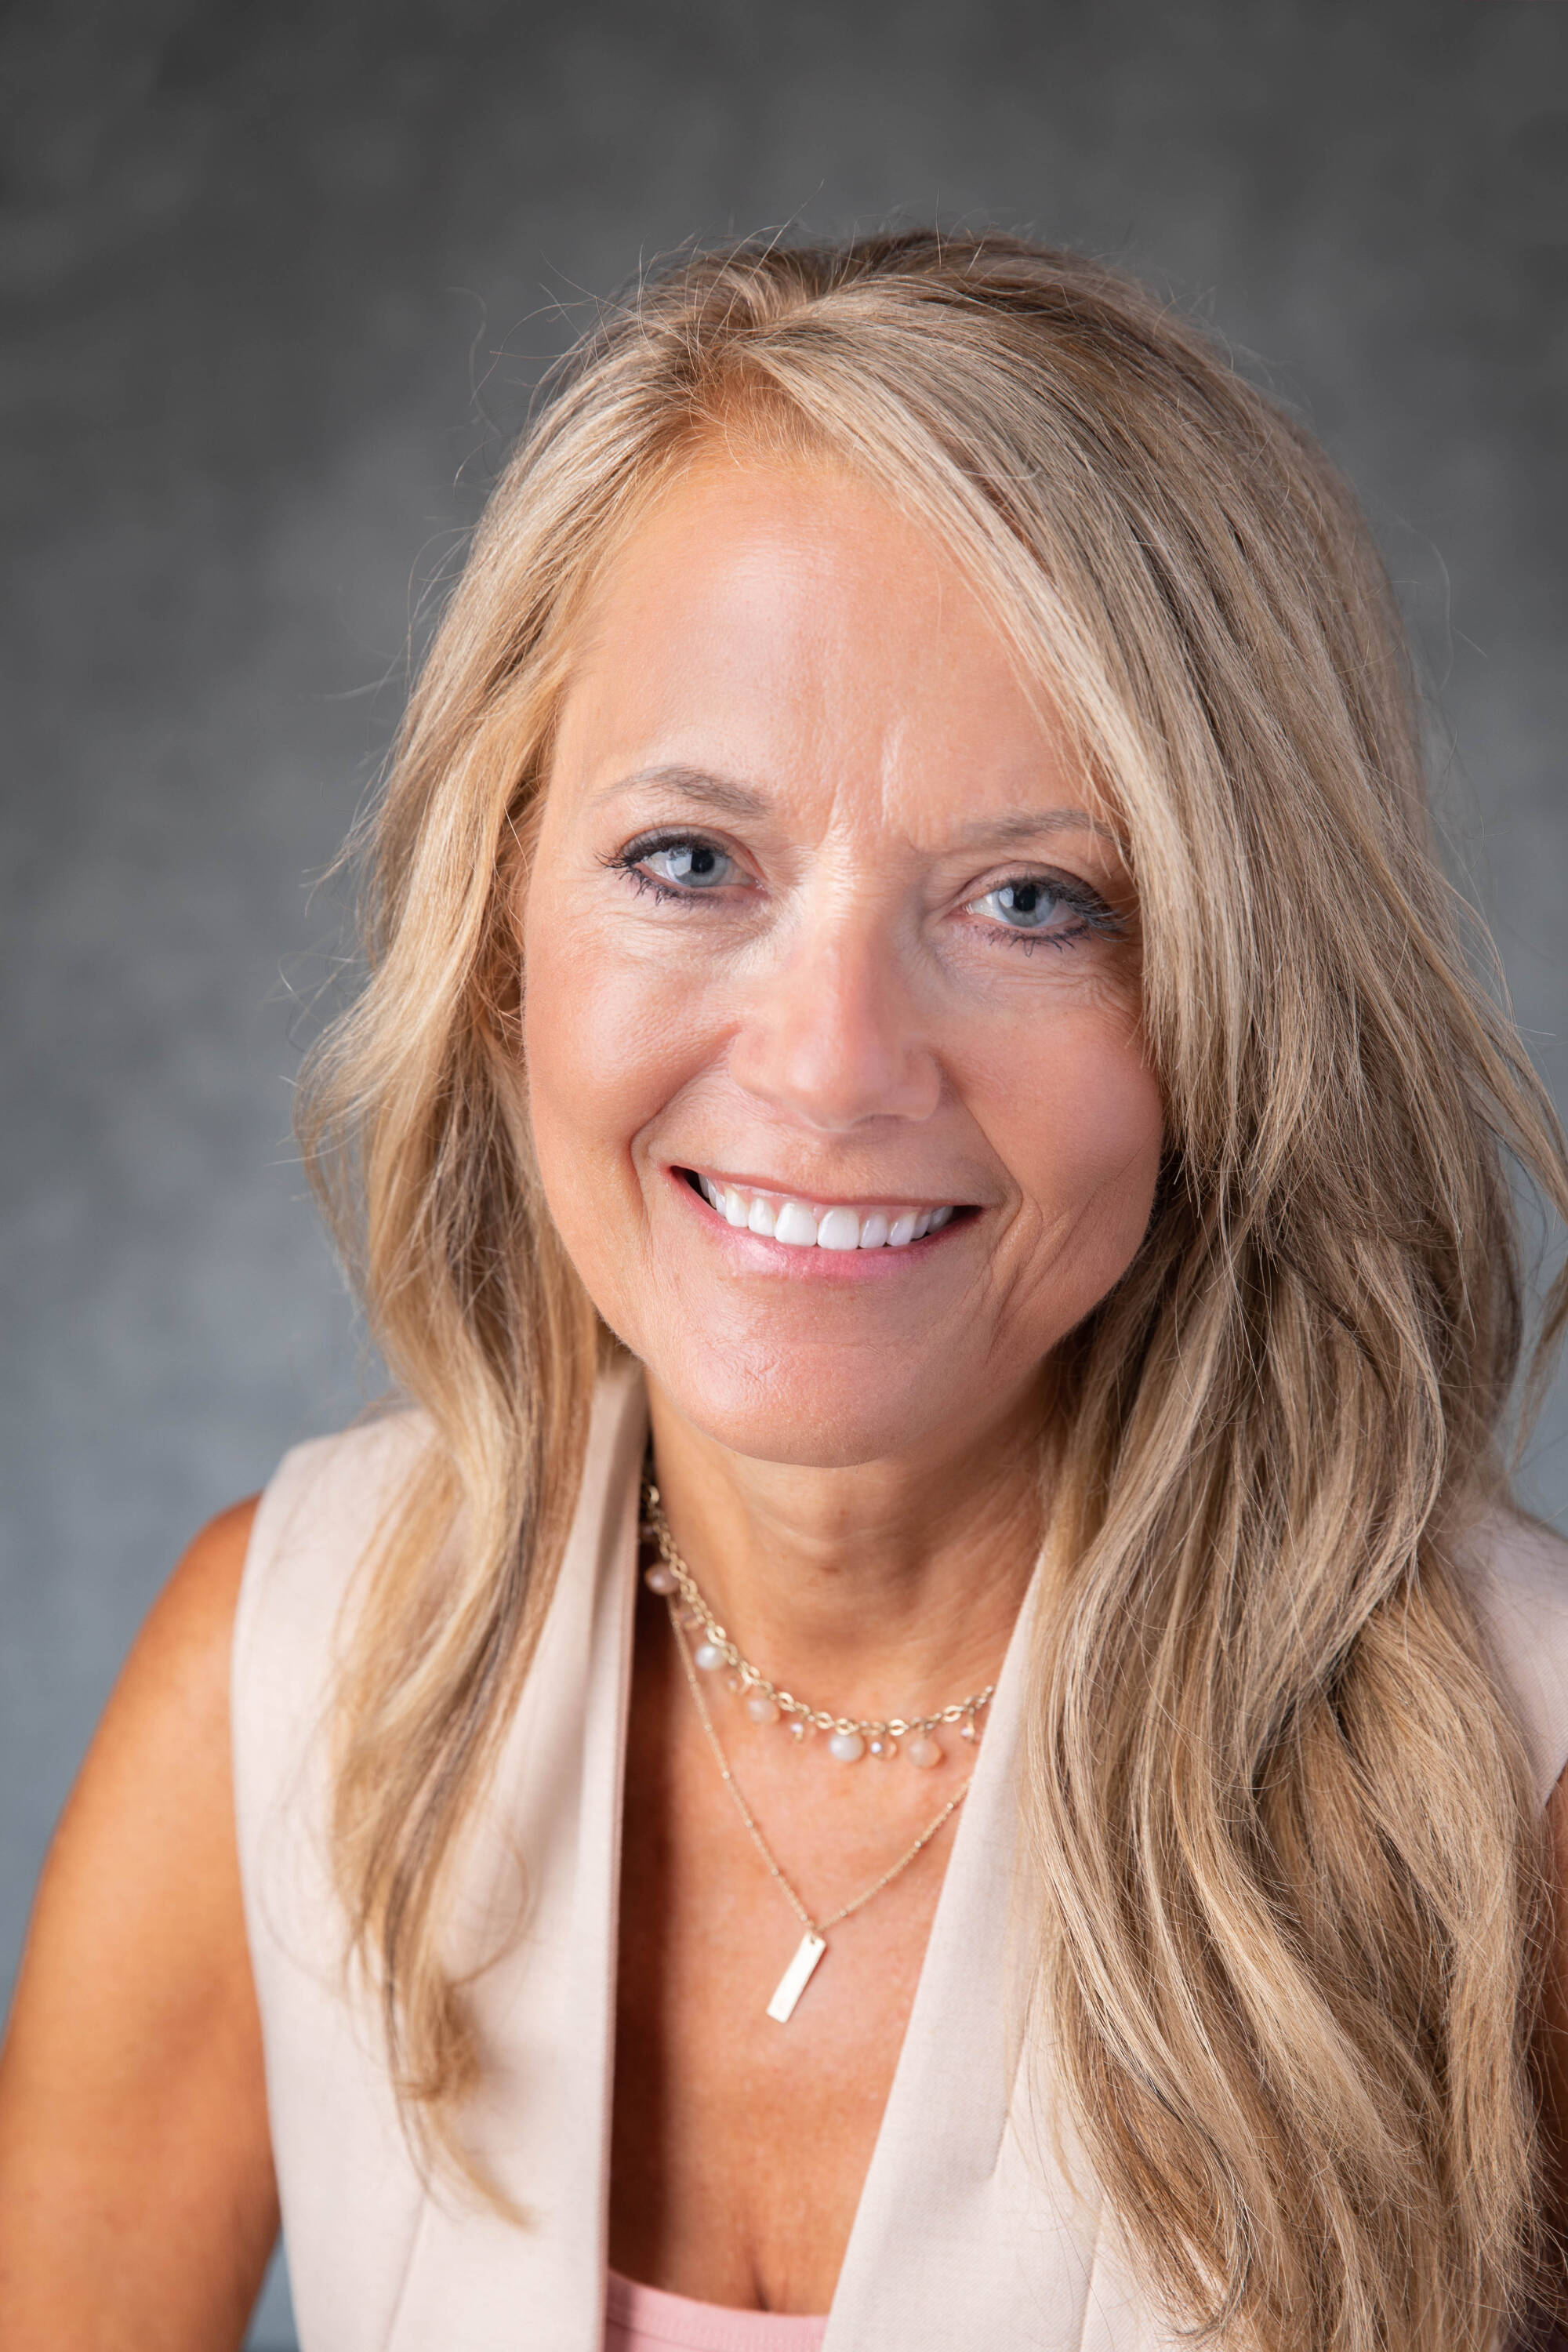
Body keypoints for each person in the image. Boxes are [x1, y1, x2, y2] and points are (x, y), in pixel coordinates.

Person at [2, 230, 1566, 2352]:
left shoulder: (1524, 1809)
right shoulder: (275, 1677)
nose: (833, 1062)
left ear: (1233, 1007)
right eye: (690, 861)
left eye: (1037, 900)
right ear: (499, 934)